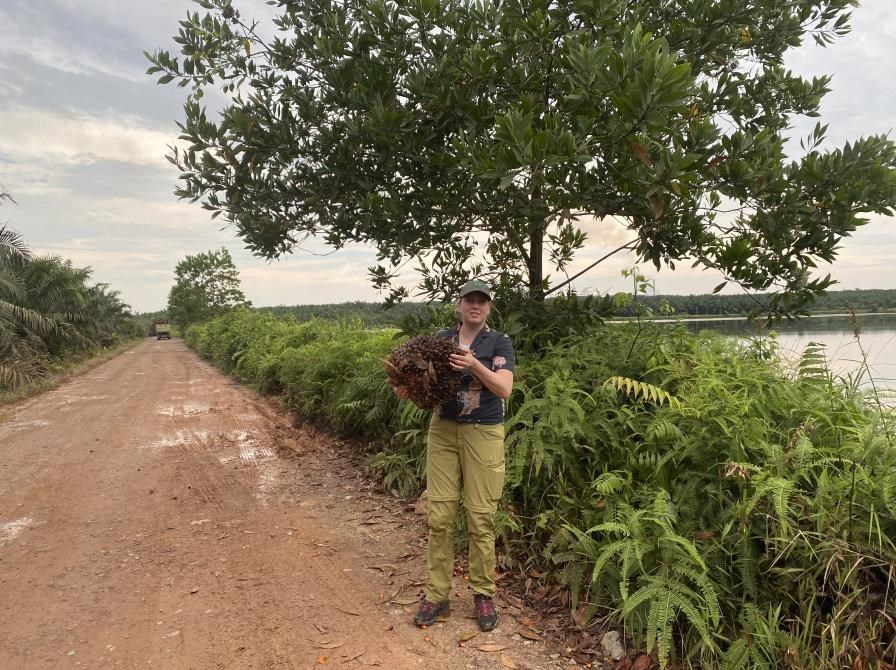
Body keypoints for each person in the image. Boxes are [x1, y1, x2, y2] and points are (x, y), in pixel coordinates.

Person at [395, 279, 516, 632]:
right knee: (440, 516)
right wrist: (408, 388)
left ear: (489, 308)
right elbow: (424, 387)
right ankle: (437, 596)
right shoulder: (439, 341)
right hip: (444, 431)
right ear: (459, 305)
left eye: (482, 301)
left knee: (481, 517)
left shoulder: (498, 342)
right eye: (469, 300)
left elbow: (504, 388)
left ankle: (482, 594)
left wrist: (474, 366)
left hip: (484, 432)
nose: (475, 306)